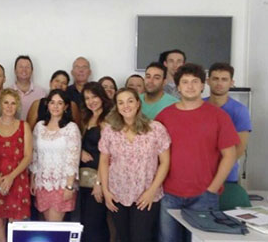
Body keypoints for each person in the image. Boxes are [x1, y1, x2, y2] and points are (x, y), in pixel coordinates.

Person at [156, 63, 239, 242]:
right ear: (178, 87)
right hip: (170, 195)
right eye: (185, 82)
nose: (190, 86)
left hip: (204, 196)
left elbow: (230, 155)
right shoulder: (164, 116)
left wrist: (212, 189)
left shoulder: (218, 116)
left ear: (203, 85)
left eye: (195, 81)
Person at [98, 87, 170, 242]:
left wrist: (152, 191)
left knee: (141, 237)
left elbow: (164, 162)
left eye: (130, 101)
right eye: (121, 102)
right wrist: (105, 190)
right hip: (117, 192)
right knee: (122, 237)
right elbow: (104, 162)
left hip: (145, 194)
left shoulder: (155, 128)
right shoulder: (110, 131)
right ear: (116, 107)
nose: (126, 106)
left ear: (138, 103)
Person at [0, 88, 32, 242]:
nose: (9, 106)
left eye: (13, 103)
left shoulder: (24, 126)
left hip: (17, 179)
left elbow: (27, 156)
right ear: (0, 104)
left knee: (16, 224)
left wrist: (11, 177)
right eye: (6, 102)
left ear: (17, 105)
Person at [204, 63, 252, 208]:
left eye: (224, 79)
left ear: (231, 82)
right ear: (207, 81)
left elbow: (239, 149)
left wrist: (220, 171)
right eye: (215, 79)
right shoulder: (199, 106)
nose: (219, 83)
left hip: (227, 178)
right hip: (200, 176)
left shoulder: (239, 111)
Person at [30, 89, 81, 221]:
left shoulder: (71, 128)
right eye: (52, 102)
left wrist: (69, 186)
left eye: (60, 103)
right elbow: (35, 156)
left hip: (61, 183)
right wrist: (33, 180)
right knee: (46, 225)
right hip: (42, 183)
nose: (55, 106)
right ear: (47, 105)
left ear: (66, 106)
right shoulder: (39, 127)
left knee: (55, 225)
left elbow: (73, 159)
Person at [78, 82, 113, 242]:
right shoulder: (88, 117)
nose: (91, 101)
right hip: (84, 180)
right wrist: (80, 152)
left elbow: (107, 155)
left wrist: (100, 183)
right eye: (87, 98)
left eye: (94, 96)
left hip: (98, 180)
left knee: (95, 226)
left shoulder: (108, 120)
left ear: (102, 97)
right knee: (85, 224)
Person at [11, 55, 47, 120]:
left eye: (27, 67)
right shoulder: (8, 92)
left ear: (32, 71)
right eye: (21, 67)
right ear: (15, 70)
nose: (24, 70)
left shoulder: (41, 93)